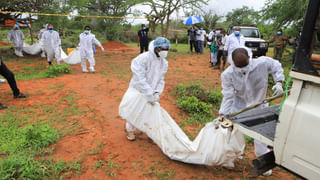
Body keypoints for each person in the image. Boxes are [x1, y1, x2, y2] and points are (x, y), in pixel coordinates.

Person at [219, 47, 285, 176]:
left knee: (260, 136)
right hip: (239, 109)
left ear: (250, 58)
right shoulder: (228, 74)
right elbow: (228, 95)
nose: (242, 69)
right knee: (232, 133)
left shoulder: (262, 63)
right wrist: (223, 113)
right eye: (239, 67)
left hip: (259, 107)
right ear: (233, 63)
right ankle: (230, 157)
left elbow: (276, 66)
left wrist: (279, 82)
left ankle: (263, 162)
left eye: (244, 65)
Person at [120, 37, 170, 141]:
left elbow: (161, 79)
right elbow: (139, 77)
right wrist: (148, 92)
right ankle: (130, 130)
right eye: (162, 48)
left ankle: (149, 131)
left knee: (150, 112)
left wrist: (157, 92)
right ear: (156, 48)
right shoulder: (143, 58)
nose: (164, 51)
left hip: (152, 91)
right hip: (138, 89)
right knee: (134, 110)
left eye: (166, 49)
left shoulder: (164, 63)